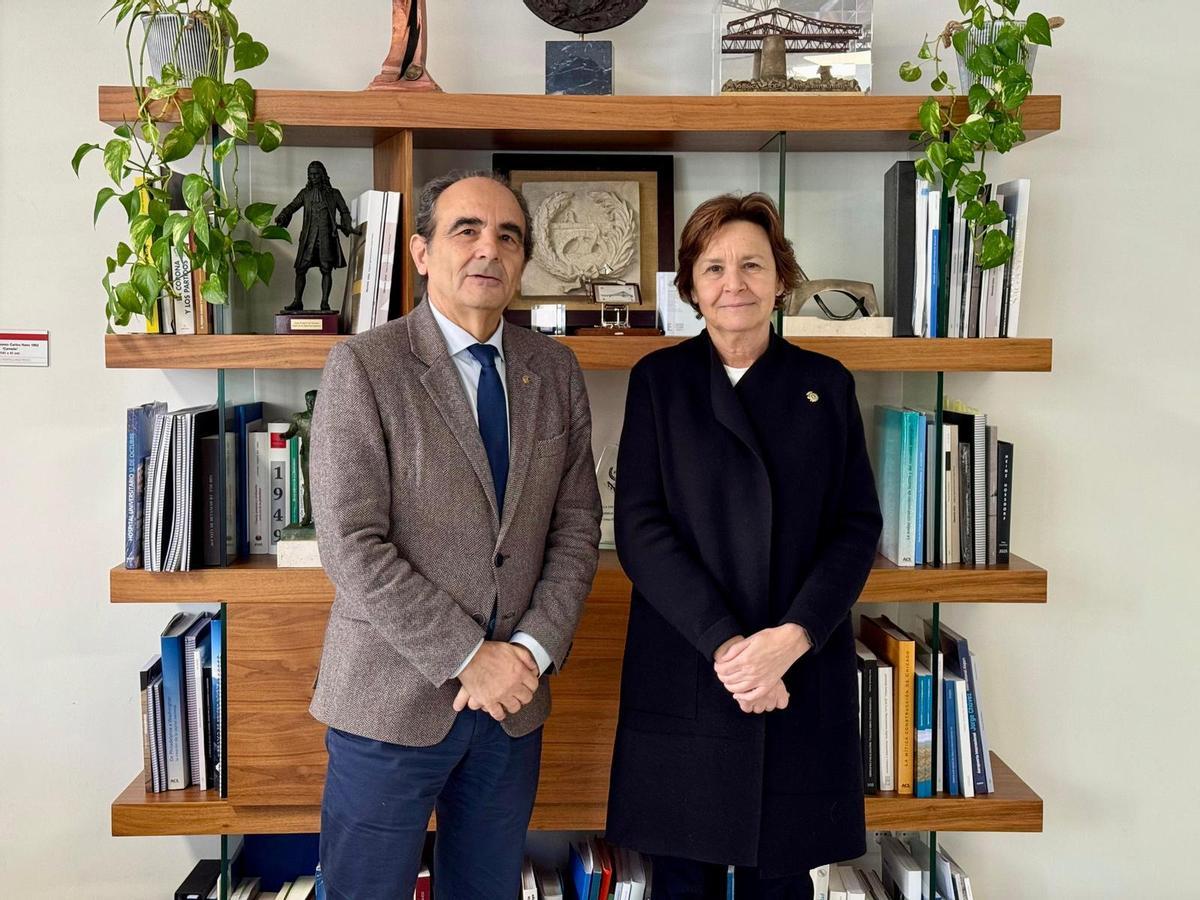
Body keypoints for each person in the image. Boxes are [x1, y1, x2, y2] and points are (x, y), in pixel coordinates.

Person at [308, 170, 602, 900]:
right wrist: (468, 656)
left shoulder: (555, 371)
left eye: (508, 235)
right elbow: (351, 544)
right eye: (465, 230)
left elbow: (576, 526)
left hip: (512, 707)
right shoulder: (365, 366)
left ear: (524, 261)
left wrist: (527, 653)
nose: (487, 250)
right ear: (420, 251)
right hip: (389, 702)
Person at [605, 193, 883, 899]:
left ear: (781, 278)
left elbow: (857, 527)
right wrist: (732, 647)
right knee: (680, 876)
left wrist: (790, 640)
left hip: (797, 670)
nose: (735, 282)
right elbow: (640, 528)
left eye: (753, 265)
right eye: (715, 267)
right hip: (692, 665)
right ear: (692, 287)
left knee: (785, 877)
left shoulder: (826, 384)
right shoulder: (659, 383)